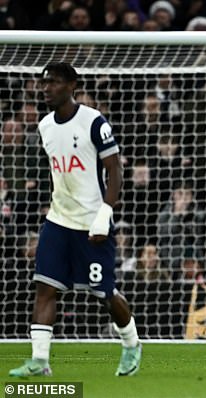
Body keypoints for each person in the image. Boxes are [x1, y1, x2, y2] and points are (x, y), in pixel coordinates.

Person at [9, 62, 141, 377]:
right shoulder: (44, 127)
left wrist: (105, 214)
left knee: (105, 294)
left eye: (53, 82)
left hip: (93, 223)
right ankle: (40, 362)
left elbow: (114, 170)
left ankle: (131, 343)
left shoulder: (94, 122)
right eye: (43, 83)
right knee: (45, 287)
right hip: (58, 221)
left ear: (72, 85)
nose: (46, 88)